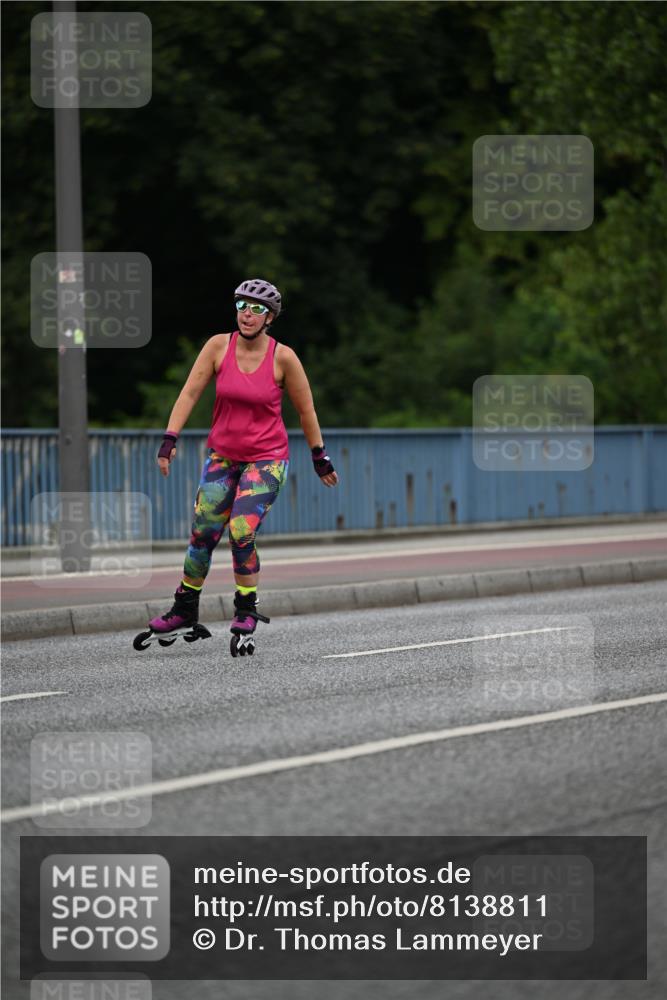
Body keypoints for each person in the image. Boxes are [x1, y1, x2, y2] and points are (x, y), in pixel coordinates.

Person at [144, 278, 338, 653]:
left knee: (241, 529)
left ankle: (246, 608)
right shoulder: (218, 346)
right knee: (203, 532)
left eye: (257, 309)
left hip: (267, 459)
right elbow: (190, 392)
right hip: (223, 456)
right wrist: (170, 438)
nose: (248, 315)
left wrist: (319, 456)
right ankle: (184, 608)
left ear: (270, 318)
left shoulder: (284, 358)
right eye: (242, 307)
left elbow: (306, 411)